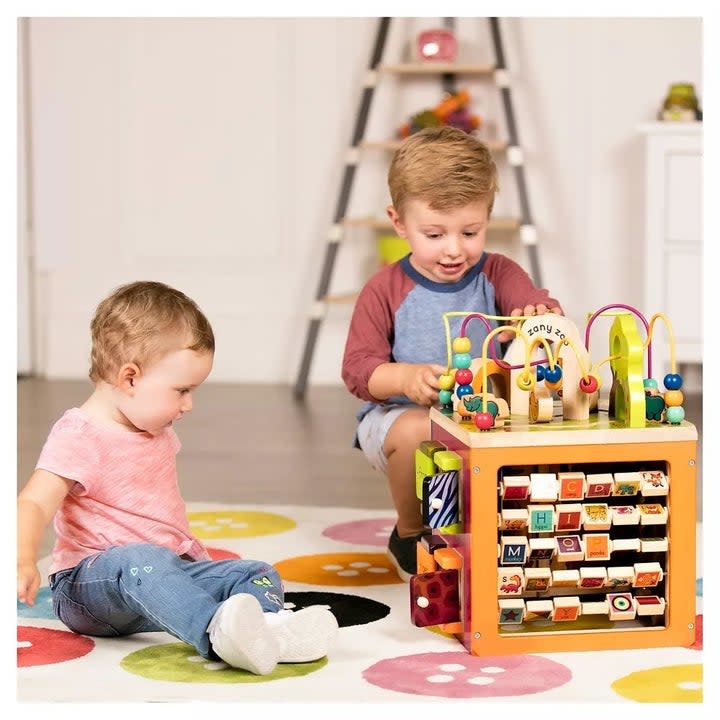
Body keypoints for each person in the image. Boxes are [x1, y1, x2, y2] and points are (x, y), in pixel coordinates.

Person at [17, 280, 338, 675]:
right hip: (91, 589)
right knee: (140, 559)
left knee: (254, 573)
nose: (188, 405)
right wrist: (21, 559)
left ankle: (267, 632)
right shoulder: (79, 435)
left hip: (162, 578)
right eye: (181, 390)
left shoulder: (154, 429)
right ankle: (217, 635)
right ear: (130, 378)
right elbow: (32, 501)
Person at [341, 126, 563, 581]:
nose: (454, 249)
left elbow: (539, 308)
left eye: (470, 231)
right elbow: (358, 371)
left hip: (487, 414)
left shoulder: (499, 273)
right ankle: (410, 532)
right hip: (401, 419)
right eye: (435, 234)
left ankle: (507, 530)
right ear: (399, 222)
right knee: (422, 427)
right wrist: (404, 379)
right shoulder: (384, 288)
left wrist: (537, 317)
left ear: (487, 217)